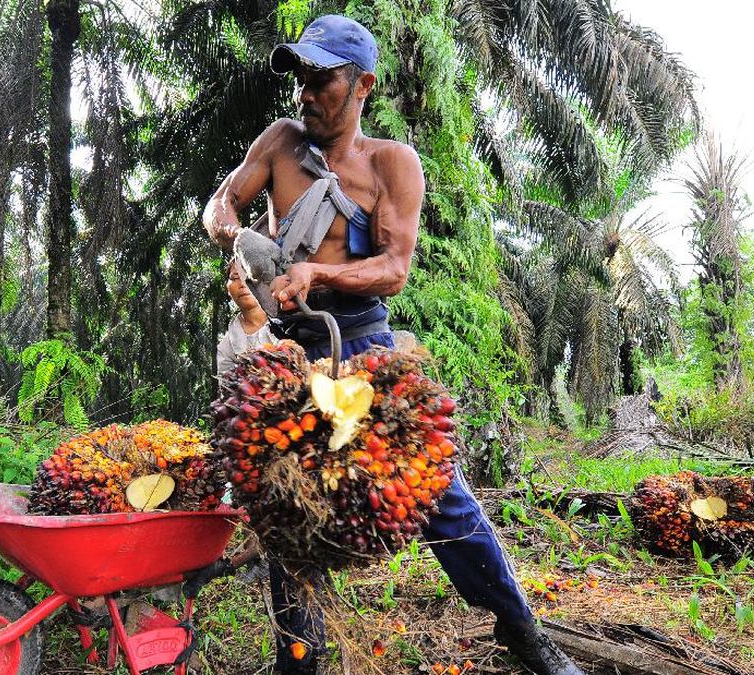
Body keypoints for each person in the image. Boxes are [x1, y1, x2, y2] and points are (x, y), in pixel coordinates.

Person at [202, 14, 584, 675]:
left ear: (362, 86)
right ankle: (301, 658)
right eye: (300, 78)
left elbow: (395, 268)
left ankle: (522, 629)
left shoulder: (391, 164)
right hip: (291, 357)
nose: (306, 93)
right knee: (291, 502)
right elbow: (219, 204)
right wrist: (234, 234)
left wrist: (318, 271)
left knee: (437, 492)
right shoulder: (279, 142)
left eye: (321, 79)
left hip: (365, 347)